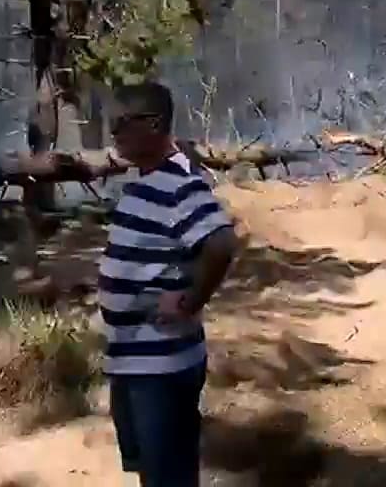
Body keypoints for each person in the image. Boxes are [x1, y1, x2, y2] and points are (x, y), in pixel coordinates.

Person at [99, 80, 237, 487]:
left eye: (122, 123)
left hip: (160, 366)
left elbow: (221, 242)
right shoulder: (145, 181)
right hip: (134, 361)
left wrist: (192, 301)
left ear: (154, 124)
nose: (114, 133)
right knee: (153, 473)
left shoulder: (180, 185)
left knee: (168, 477)